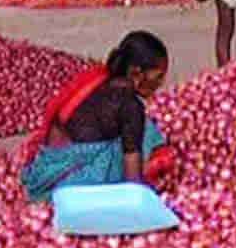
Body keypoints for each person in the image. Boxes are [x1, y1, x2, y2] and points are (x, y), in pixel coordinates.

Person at [20, 31, 176, 202]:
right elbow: (133, 183)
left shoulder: (97, 81)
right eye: (158, 76)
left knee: (137, 131)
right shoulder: (131, 106)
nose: (161, 84)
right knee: (147, 133)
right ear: (136, 74)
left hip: (43, 174)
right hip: (69, 187)